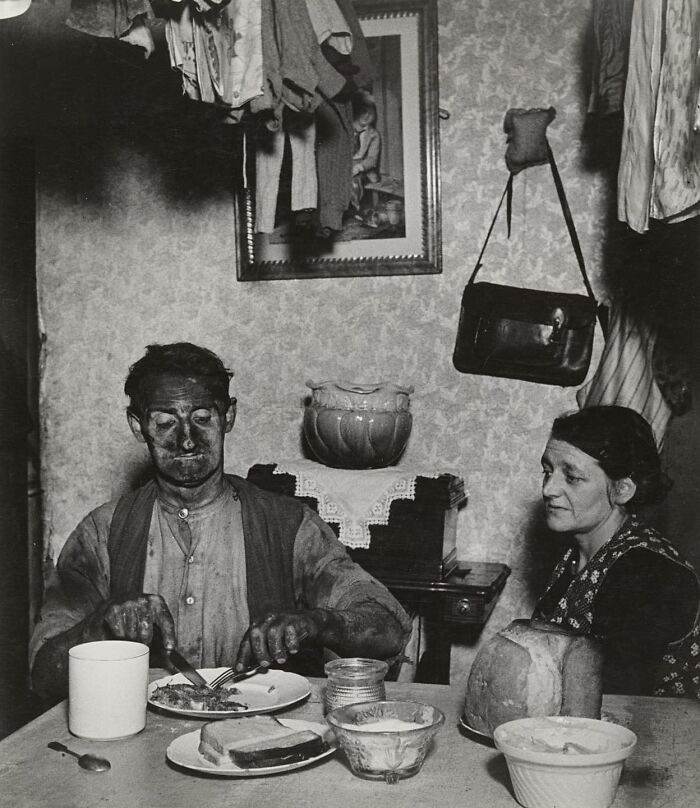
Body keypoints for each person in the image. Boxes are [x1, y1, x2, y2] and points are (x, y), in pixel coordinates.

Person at [30, 343, 412, 704]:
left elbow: (388, 630)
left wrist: (318, 623)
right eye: (165, 423)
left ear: (228, 416)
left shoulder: (288, 525)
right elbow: (43, 677)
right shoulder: (102, 533)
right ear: (137, 426)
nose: (186, 441)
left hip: (260, 740)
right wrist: (100, 627)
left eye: (201, 419)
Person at [532, 405, 700, 697]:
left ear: (623, 489)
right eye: (548, 471)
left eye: (572, 477)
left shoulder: (646, 574)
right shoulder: (578, 554)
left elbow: (619, 695)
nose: (549, 489)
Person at [349, 93, 381, 219]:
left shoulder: (374, 134)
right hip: (344, 163)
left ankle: (354, 208)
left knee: (354, 180)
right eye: (363, 112)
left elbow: (372, 159)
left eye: (370, 113)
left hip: (363, 168)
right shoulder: (347, 129)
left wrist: (358, 167)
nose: (366, 116)